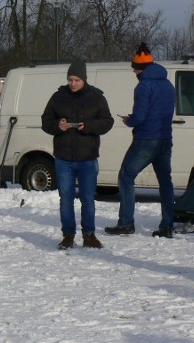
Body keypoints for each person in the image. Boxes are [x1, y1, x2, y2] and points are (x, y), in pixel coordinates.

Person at [105, 43, 176, 237]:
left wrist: (130, 120)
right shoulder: (168, 84)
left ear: (139, 68)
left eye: (133, 68)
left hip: (146, 139)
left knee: (126, 176)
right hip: (164, 138)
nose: (133, 71)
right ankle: (167, 225)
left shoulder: (144, 86)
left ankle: (126, 222)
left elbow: (140, 117)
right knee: (165, 183)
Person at [41, 60, 114, 249]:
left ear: (84, 79)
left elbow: (107, 121)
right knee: (65, 199)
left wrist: (89, 126)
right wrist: (58, 125)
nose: (72, 83)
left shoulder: (96, 97)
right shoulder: (58, 97)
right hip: (63, 158)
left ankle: (89, 235)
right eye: (70, 79)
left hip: (88, 158)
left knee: (88, 199)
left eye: (76, 80)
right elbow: (45, 120)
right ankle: (68, 235)